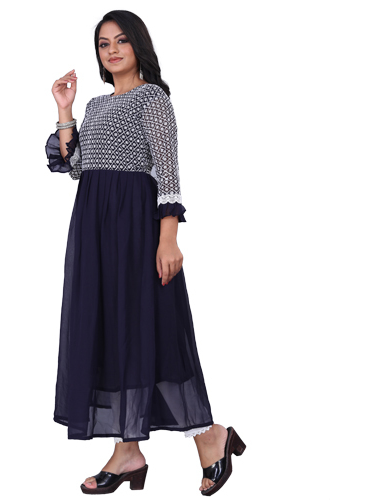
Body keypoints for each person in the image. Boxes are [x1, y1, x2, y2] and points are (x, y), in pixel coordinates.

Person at [45, 10, 246, 495]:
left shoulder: (152, 98)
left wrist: (168, 237)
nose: (112, 50)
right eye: (103, 44)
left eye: (121, 41)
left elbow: (167, 169)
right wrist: (65, 110)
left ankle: (210, 437)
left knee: (152, 330)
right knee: (110, 332)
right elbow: (76, 167)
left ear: (138, 45)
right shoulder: (95, 103)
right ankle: (128, 449)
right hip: (94, 230)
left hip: (136, 230)